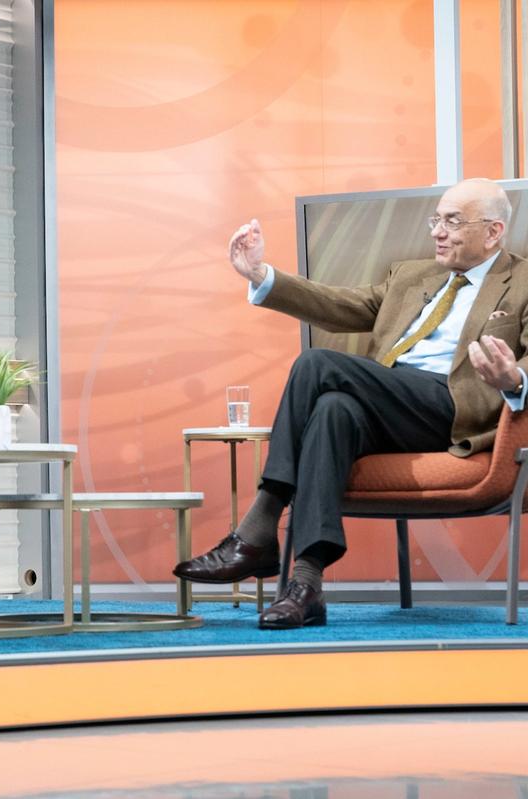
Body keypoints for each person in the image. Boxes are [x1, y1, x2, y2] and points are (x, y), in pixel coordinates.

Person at [173, 178, 528, 629]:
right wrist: (261, 276)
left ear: (493, 231)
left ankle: (259, 525)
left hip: (456, 409)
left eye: (453, 222)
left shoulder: (522, 280)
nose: (438, 232)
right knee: (333, 410)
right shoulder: (411, 276)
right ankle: (306, 586)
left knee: (316, 363)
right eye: (436, 220)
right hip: (392, 404)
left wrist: (514, 378)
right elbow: (339, 305)